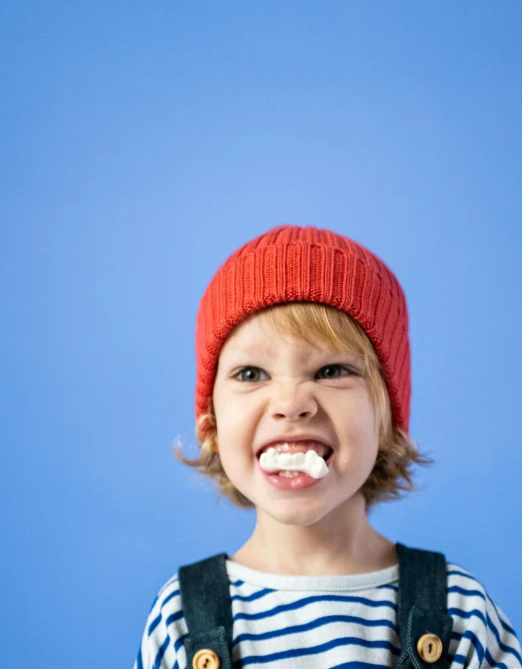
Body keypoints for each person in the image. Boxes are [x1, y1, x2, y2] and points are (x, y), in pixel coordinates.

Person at [133, 224, 521, 669]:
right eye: (251, 374)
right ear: (212, 426)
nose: (291, 404)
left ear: (387, 417)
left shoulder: (458, 613)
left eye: (332, 370)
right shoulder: (181, 620)